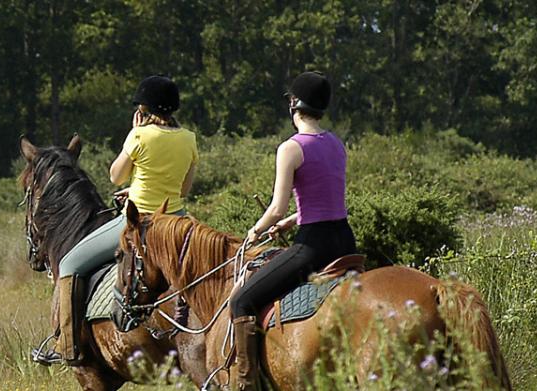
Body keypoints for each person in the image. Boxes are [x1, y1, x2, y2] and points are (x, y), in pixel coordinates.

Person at [32, 75, 198, 365]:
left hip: (141, 222)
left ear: (143, 111)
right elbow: (183, 188)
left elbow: (115, 176)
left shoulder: (139, 135)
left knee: (70, 264)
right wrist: (137, 187)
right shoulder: (189, 138)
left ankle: (66, 347)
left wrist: (134, 136)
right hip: (178, 222)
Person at [228, 71, 355, 390]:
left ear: (293, 104)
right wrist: (293, 220)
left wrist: (255, 231)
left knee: (241, 301)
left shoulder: (291, 148)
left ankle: (245, 381)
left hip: (313, 247)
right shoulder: (336, 143)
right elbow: (326, 200)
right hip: (345, 241)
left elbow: (276, 207)